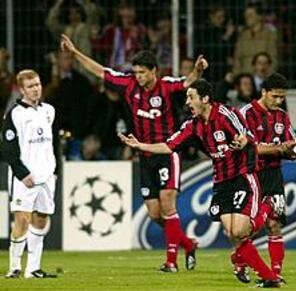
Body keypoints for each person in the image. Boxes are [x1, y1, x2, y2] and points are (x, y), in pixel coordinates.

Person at [60, 33, 208, 272]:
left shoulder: (167, 86)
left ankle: (171, 262)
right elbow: (100, 71)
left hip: (167, 152)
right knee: (155, 213)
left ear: (154, 71)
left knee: (167, 202)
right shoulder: (128, 84)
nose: (138, 77)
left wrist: (198, 71)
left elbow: (188, 82)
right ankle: (187, 244)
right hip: (145, 154)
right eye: (136, 72)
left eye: (142, 72)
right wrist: (75, 53)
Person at [119, 79, 282, 288]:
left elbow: (247, 136)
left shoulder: (225, 114)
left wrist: (243, 141)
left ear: (205, 99)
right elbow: (170, 146)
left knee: (240, 231)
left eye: (191, 97)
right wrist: (140, 145)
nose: (187, 102)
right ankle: (250, 266)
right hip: (221, 181)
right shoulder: (192, 125)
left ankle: (266, 211)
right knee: (232, 233)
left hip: (242, 176)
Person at [234, 73, 296, 283]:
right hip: (251, 175)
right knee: (250, 226)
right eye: (275, 96)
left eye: (282, 97)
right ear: (263, 92)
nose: (279, 101)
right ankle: (240, 261)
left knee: (275, 224)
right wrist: (280, 148)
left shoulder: (282, 116)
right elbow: (252, 149)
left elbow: (292, 144)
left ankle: (276, 272)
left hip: (273, 174)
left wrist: (290, 151)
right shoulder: (246, 113)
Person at [2, 69, 59, 278]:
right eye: (30, 87)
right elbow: (8, 148)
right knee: (23, 220)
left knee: (41, 219)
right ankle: (14, 267)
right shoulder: (15, 115)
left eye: (37, 85)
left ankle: (33, 268)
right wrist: (21, 172)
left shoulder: (49, 111)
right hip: (24, 177)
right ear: (21, 90)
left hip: (46, 176)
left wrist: (55, 171)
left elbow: (54, 143)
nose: (35, 90)